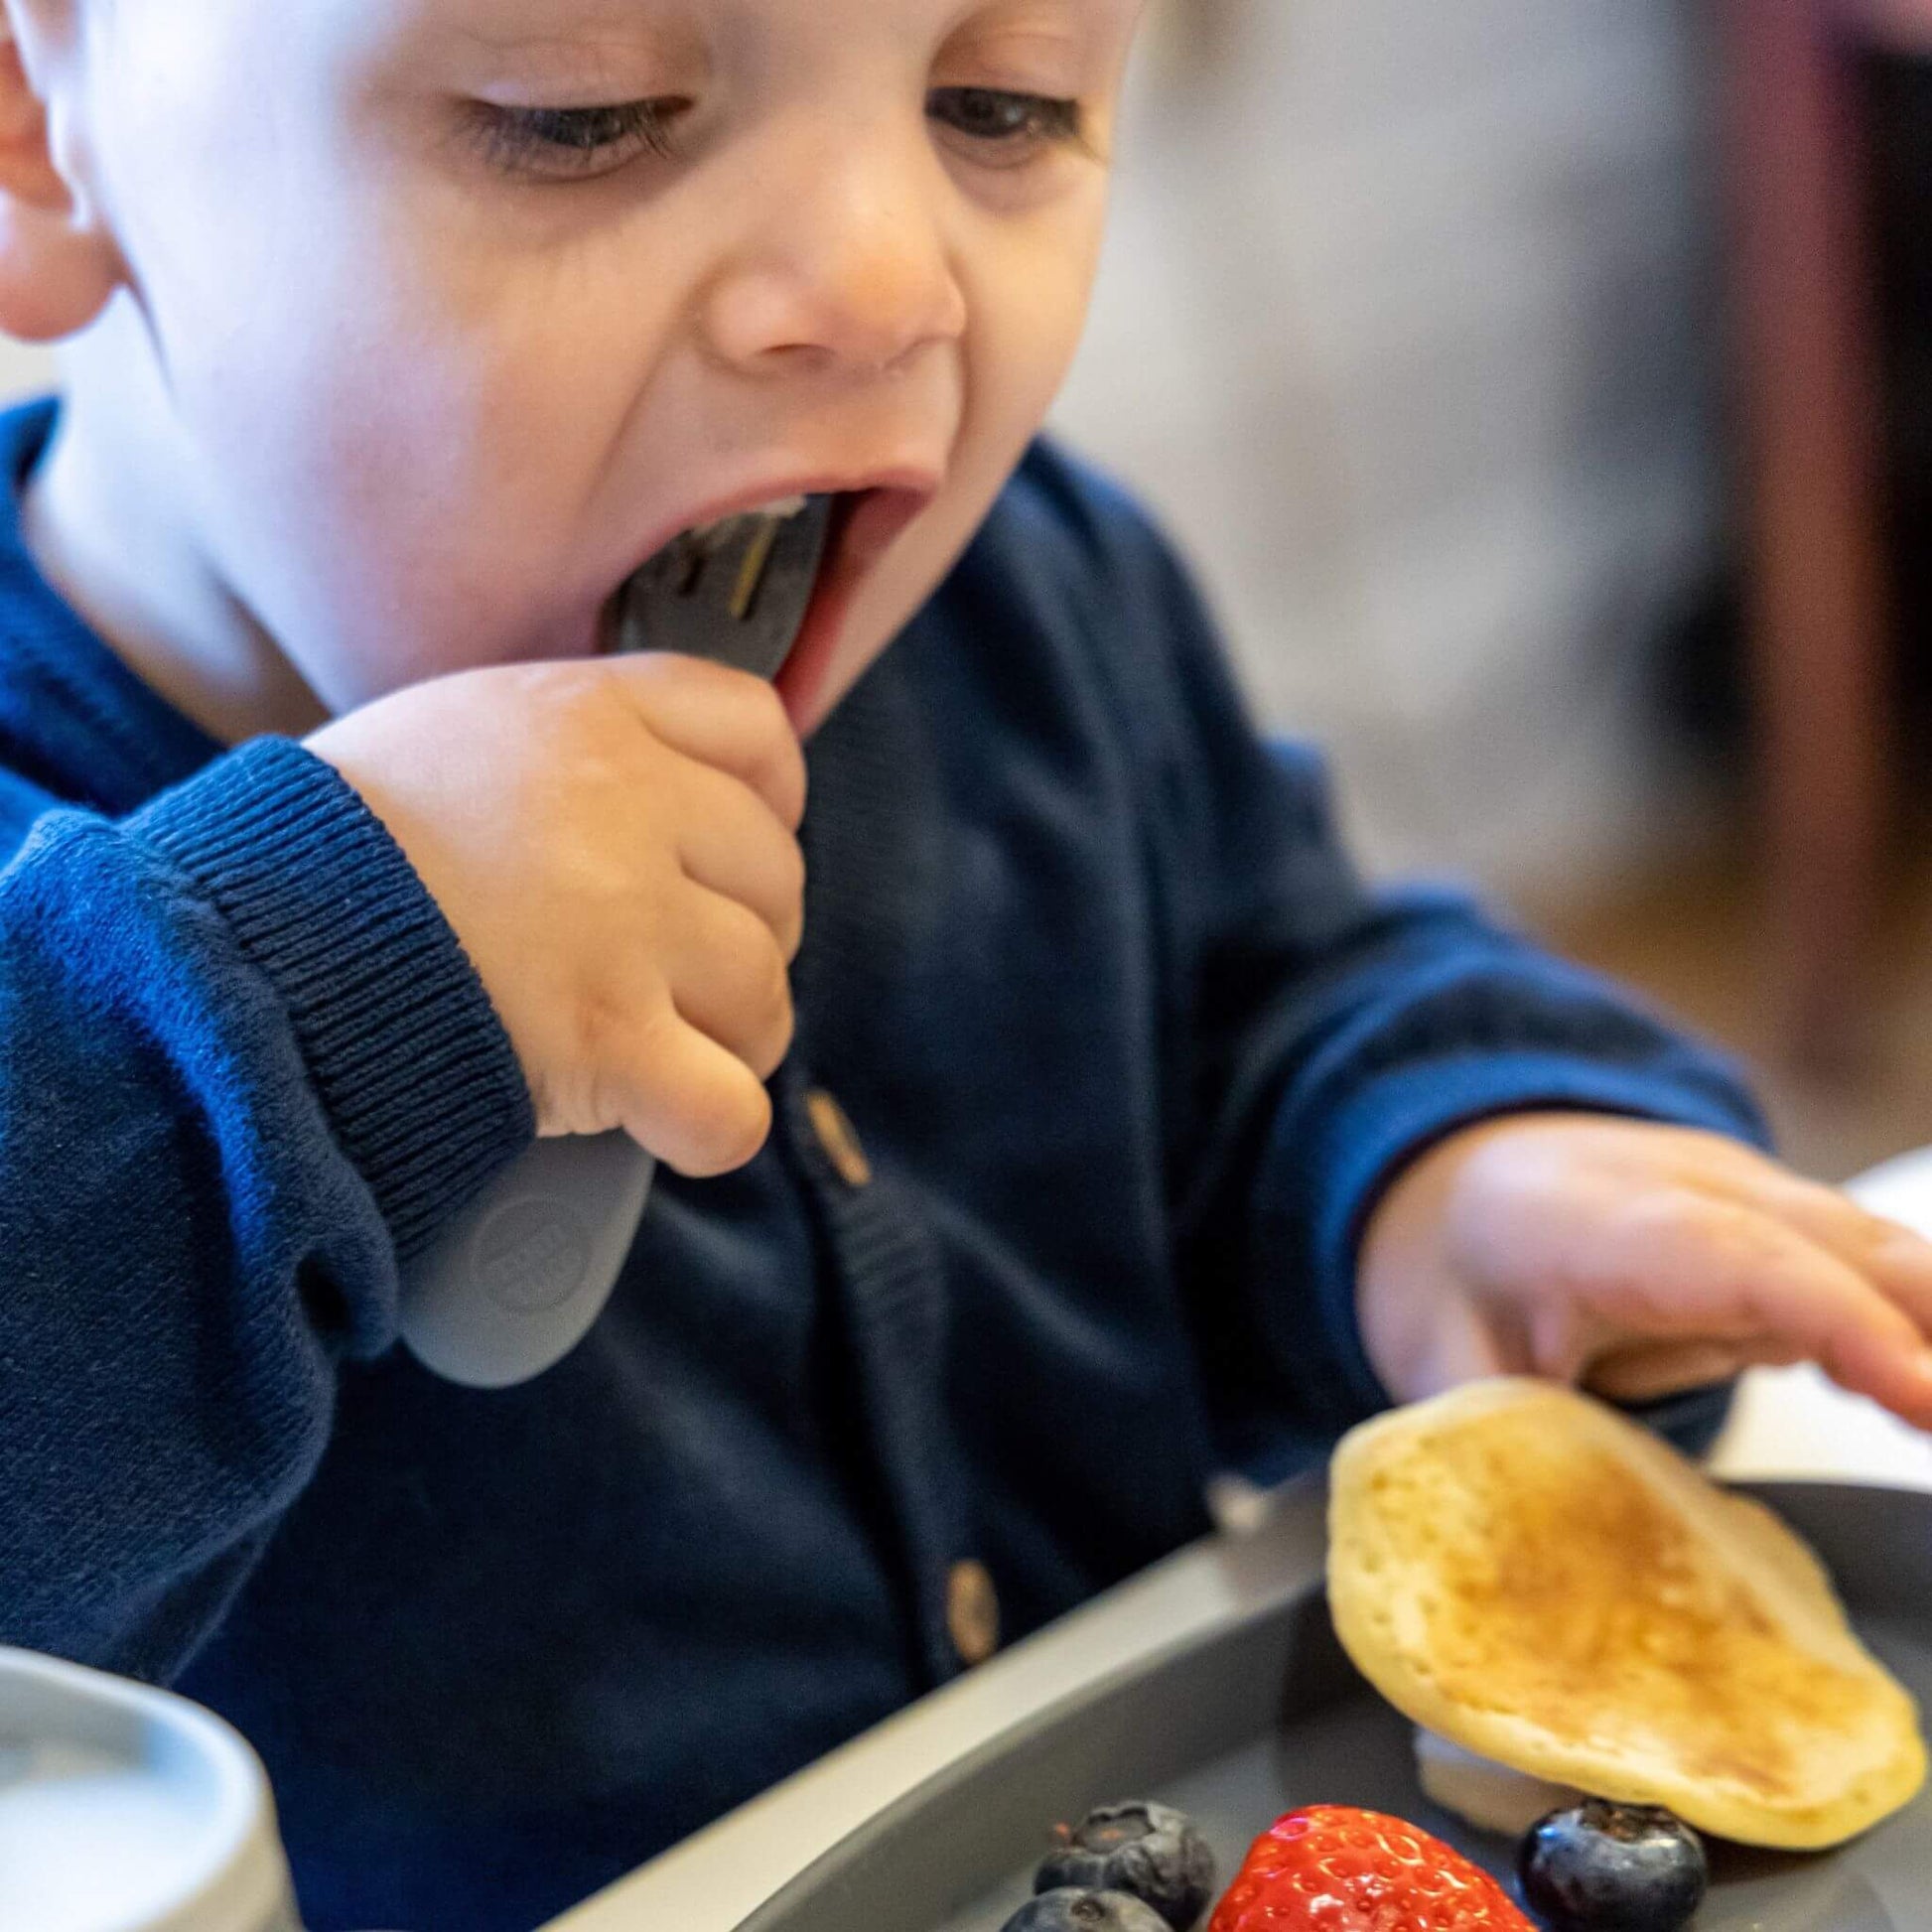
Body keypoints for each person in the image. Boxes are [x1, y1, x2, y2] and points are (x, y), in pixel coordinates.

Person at [0, 1, 1928, 1926]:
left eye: (1002, 103)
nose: (878, 281)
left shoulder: (1022, 608)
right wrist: (312, 985)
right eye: (583, 116)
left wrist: (1446, 1181)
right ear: (35, 111)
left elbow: (1265, 997)